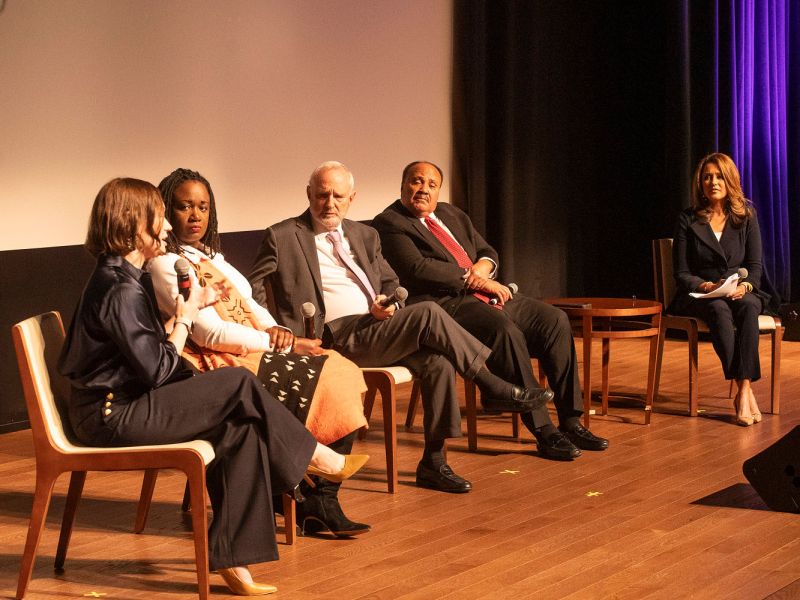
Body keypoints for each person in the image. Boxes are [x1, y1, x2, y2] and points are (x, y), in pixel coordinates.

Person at [58, 177, 368, 596]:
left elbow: (147, 355)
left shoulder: (123, 279)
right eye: (159, 218)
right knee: (239, 382)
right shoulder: (117, 287)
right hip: (112, 415)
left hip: (127, 402)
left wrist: (182, 315)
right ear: (134, 224)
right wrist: (185, 316)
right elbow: (158, 370)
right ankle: (314, 458)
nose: (168, 227)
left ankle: (233, 561)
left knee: (239, 429)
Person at [248, 161, 552, 494]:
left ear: (352, 198)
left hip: (376, 327)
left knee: (439, 361)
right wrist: (276, 328)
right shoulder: (283, 235)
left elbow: (390, 280)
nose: (330, 203)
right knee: (429, 313)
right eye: (322, 195)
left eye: (338, 196)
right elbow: (252, 288)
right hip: (331, 337)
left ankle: (433, 463)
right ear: (309, 194)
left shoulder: (364, 234)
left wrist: (388, 301)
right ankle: (490, 383)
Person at [148, 168, 371, 538]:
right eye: (184, 206)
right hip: (215, 360)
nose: (195, 216)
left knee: (341, 369)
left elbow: (251, 303)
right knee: (329, 375)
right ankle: (303, 494)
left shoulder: (211, 256)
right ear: (166, 212)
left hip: (252, 346)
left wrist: (277, 331)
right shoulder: (166, 264)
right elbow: (210, 333)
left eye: (203, 207)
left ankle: (320, 499)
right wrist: (277, 343)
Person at [371, 161, 609, 460]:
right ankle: (544, 431)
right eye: (417, 182)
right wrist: (474, 279)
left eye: (431, 185)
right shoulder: (390, 222)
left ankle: (571, 421)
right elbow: (417, 269)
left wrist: (483, 269)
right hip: (446, 303)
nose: (423, 190)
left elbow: (487, 252)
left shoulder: (451, 213)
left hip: (485, 293)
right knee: (504, 331)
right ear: (403, 184)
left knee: (555, 320)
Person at [669, 152, 769, 426]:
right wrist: (706, 285)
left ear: (729, 180)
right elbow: (681, 273)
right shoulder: (688, 220)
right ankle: (743, 388)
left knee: (749, 305)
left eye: (718, 176)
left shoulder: (746, 216)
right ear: (700, 183)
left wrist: (746, 286)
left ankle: (744, 389)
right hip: (700, 293)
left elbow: (755, 266)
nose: (712, 182)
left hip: (738, 288)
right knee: (718, 308)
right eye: (707, 177)